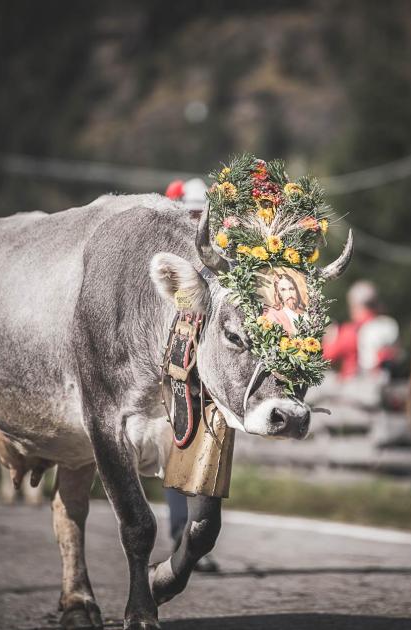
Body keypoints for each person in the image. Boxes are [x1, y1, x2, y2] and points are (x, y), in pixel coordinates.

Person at [163, 178, 219, 573]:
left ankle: (194, 538)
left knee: (204, 451)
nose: (196, 217)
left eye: (201, 211)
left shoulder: (219, 247)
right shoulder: (168, 247)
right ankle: (181, 532)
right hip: (177, 362)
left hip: (207, 362)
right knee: (179, 445)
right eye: (192, 210)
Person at [323, 280, 398, 379]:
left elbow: (327, 357)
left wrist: (328, 337)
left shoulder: (349, 331)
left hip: (356, 386)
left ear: (355, 306)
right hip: (384, 382)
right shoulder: (388, 325)